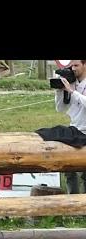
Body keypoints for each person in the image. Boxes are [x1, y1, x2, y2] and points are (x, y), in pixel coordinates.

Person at [36, 60, 86, 194]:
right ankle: (72, 200)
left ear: (85, 65)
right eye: (71, 66)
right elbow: (60, 108)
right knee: (69, 169)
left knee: (84, 173)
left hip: (84, 132)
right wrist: (60, 91)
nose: (73, 69)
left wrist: (72, 91)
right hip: (75, 129)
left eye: (77, 65)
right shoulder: (72, 83)